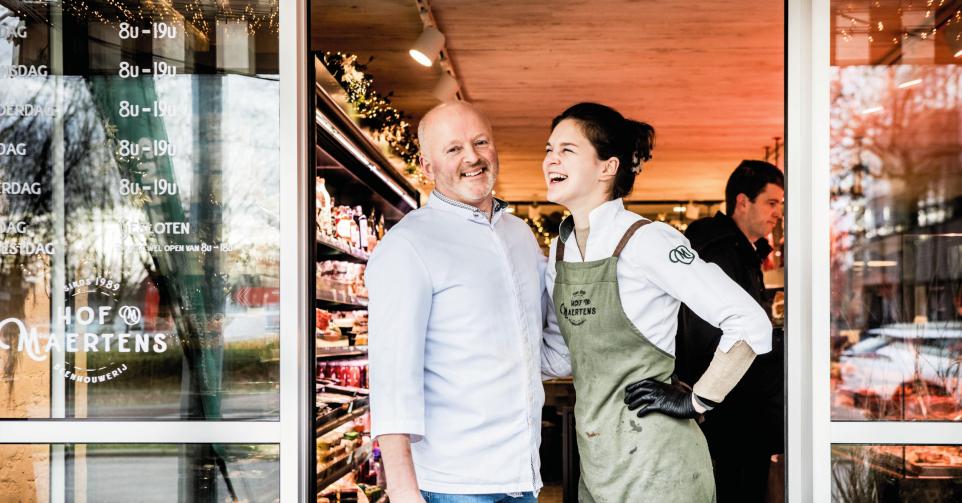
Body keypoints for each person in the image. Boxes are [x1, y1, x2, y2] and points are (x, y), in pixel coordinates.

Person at [540, 102, 773, 503]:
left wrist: (697, 398)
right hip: (599, 465)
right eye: (548, 149)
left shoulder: (647, 241)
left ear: (607, 167)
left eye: (567, 149)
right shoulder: (559, 254)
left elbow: (750, 322)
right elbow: (561, 356)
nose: (551, 160)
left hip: (660, 463)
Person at [366, 101, 546, 503]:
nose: (472, 157)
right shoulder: (408, 245)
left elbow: (541, 340)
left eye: (481, 142)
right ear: (427, 168)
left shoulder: (519, 235)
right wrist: (403, 492)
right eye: (453, 149)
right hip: (453, 485)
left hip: (523, 477)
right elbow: (392, 380)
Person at [675, 160, 785, 503]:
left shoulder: (740, 251)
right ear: (742, 202)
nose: (779, 213)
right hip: (731, 411)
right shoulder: (721, 250)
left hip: (735, 406)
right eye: (772, 202)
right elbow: (712, 333)